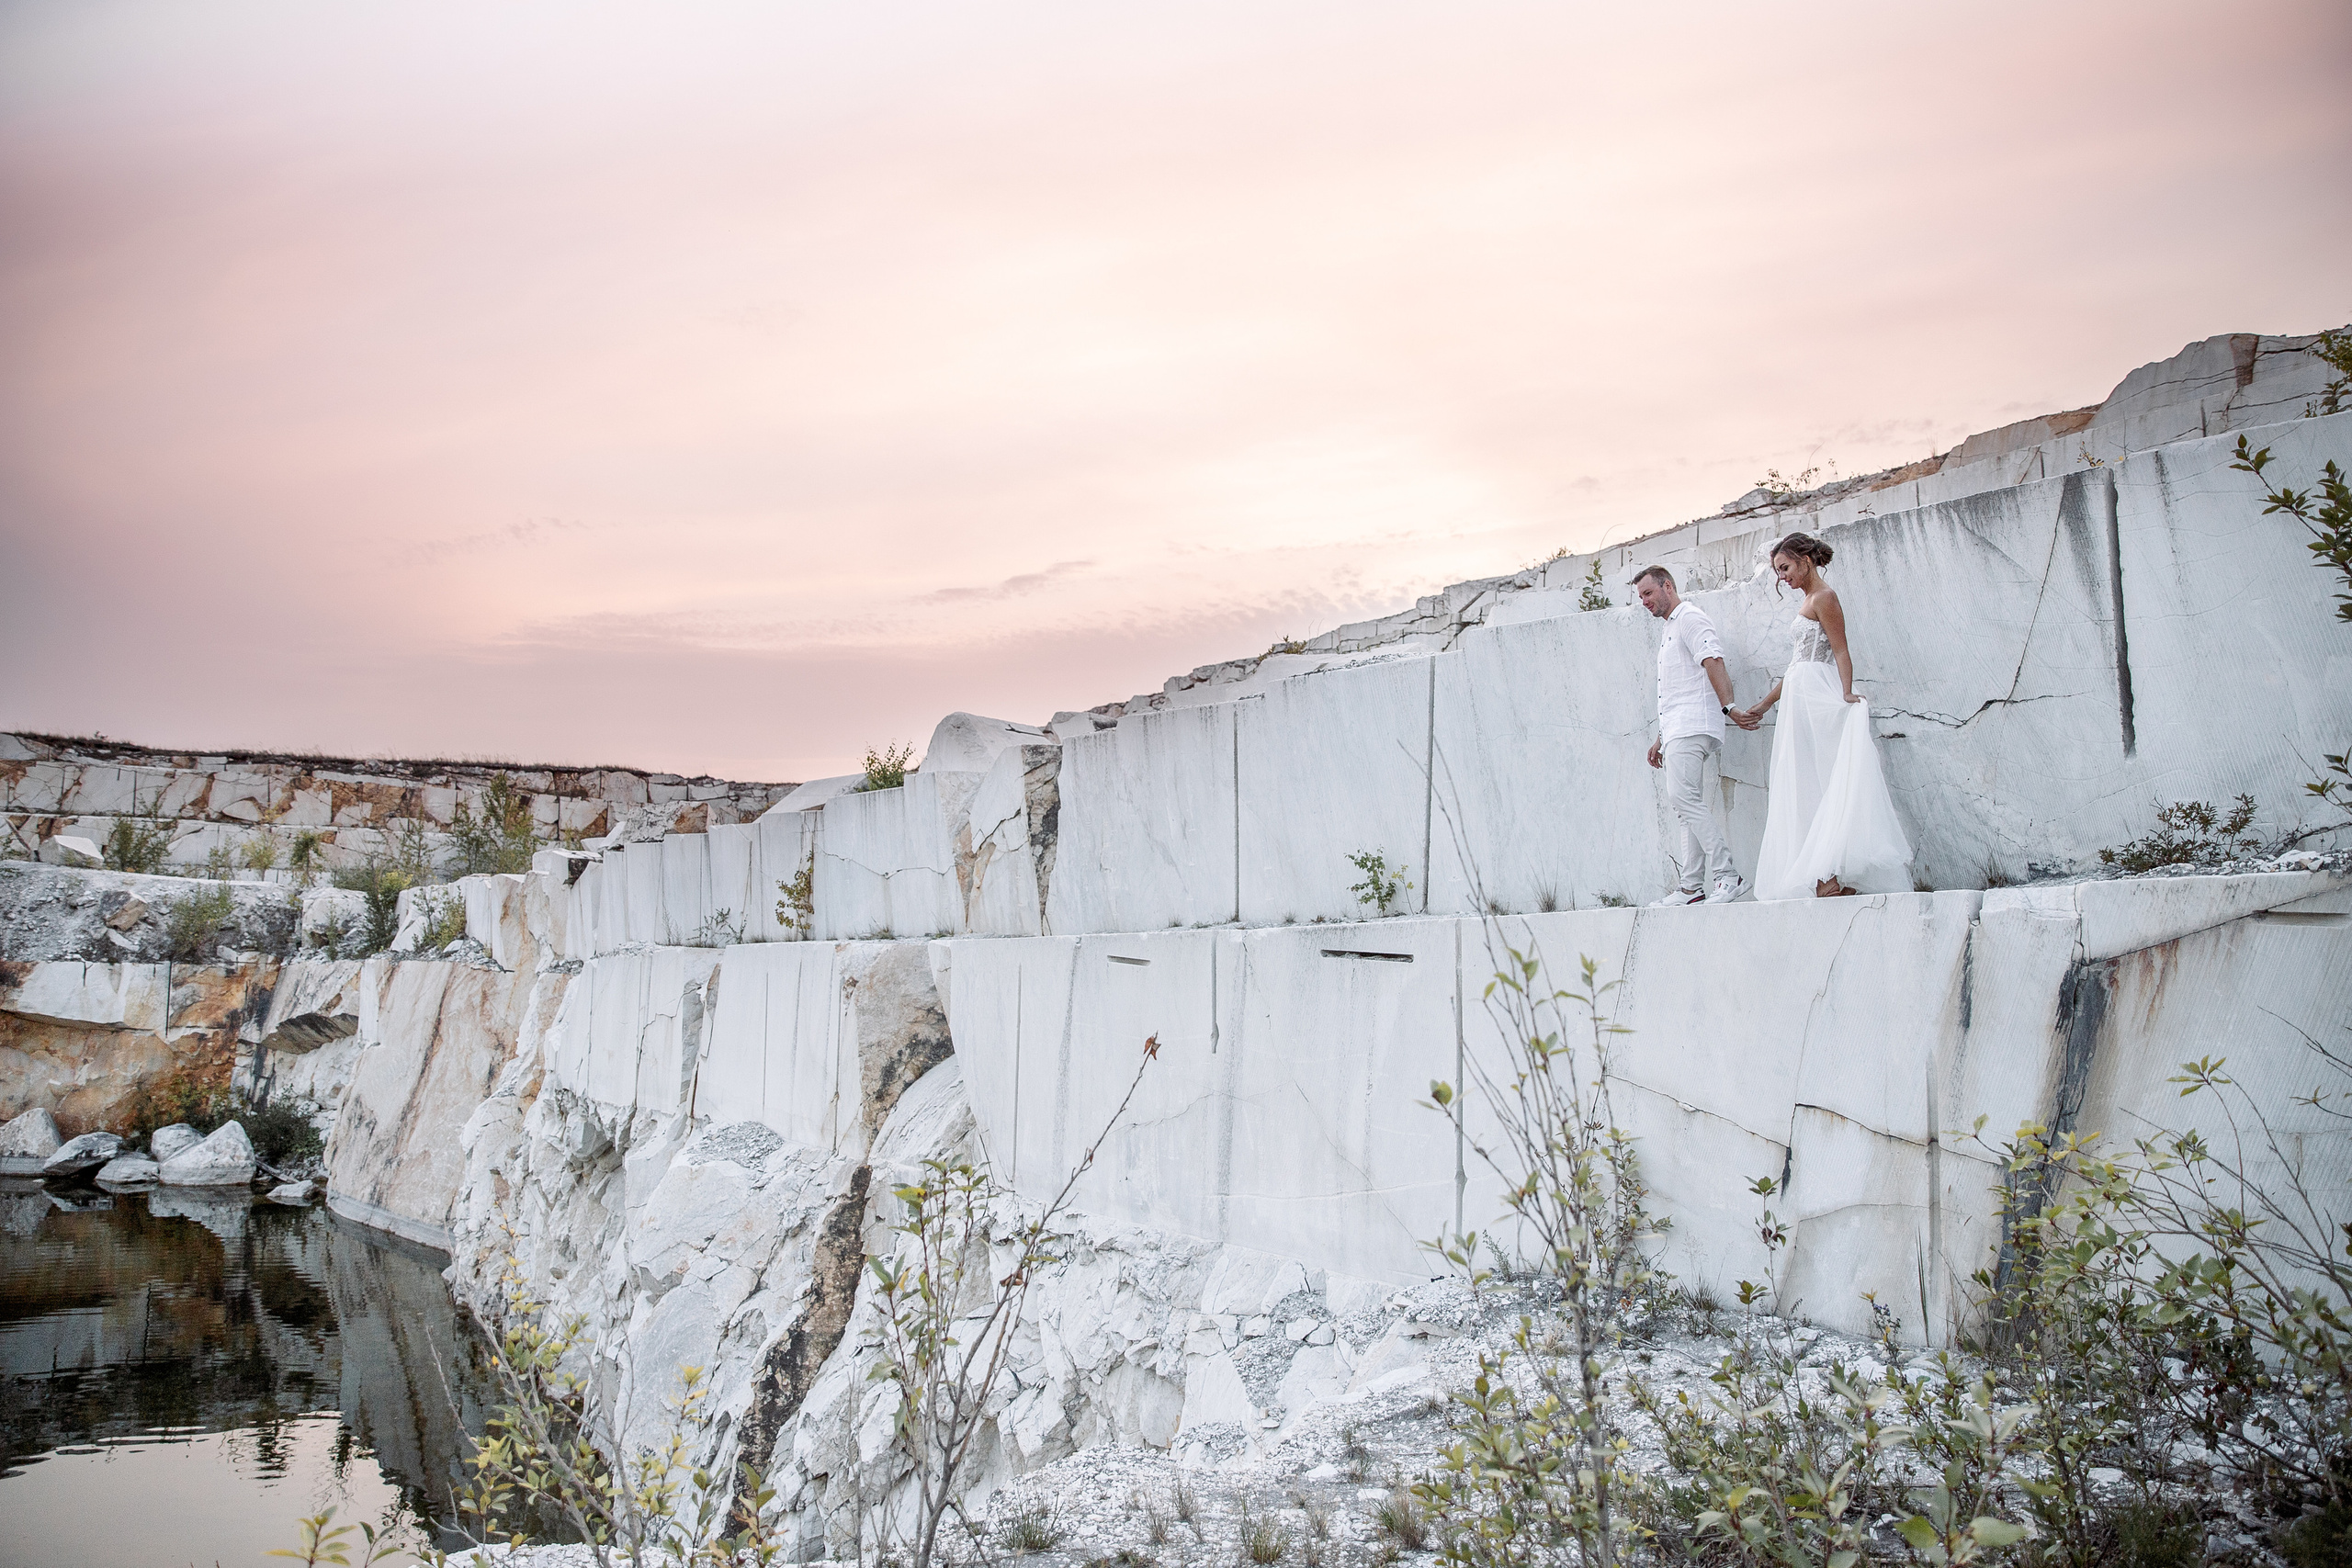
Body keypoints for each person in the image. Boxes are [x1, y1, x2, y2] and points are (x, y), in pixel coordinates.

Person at [1728, 532, 1914, 899]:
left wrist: (1846, 692)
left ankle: (1829, 876)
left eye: (1785, 568)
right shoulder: (1809, 600)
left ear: (1805, 560)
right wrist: (1766, 704)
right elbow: (1796, 664)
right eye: (1778, 571)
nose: (1782, 577)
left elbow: (1841, 651)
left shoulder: (1825, 598)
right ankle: (1822, 879)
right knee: (1801, 781)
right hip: (1799, 696)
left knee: (1820, 779)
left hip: (1816, 696)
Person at [1635, 565, 1753, 906]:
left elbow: (1713, 661)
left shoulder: (1690, 618)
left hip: (1695, 724)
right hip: (1678, 728)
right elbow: (1677, 688)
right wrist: (1661, 737)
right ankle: (1691, 888)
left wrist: (1730, 707)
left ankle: (1728, 876)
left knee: (1684, 798)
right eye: (1641, 596)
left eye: (1649, 593)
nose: (1645, 601)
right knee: (1686, 807)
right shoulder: (1671, 627)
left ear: (1667, 586)